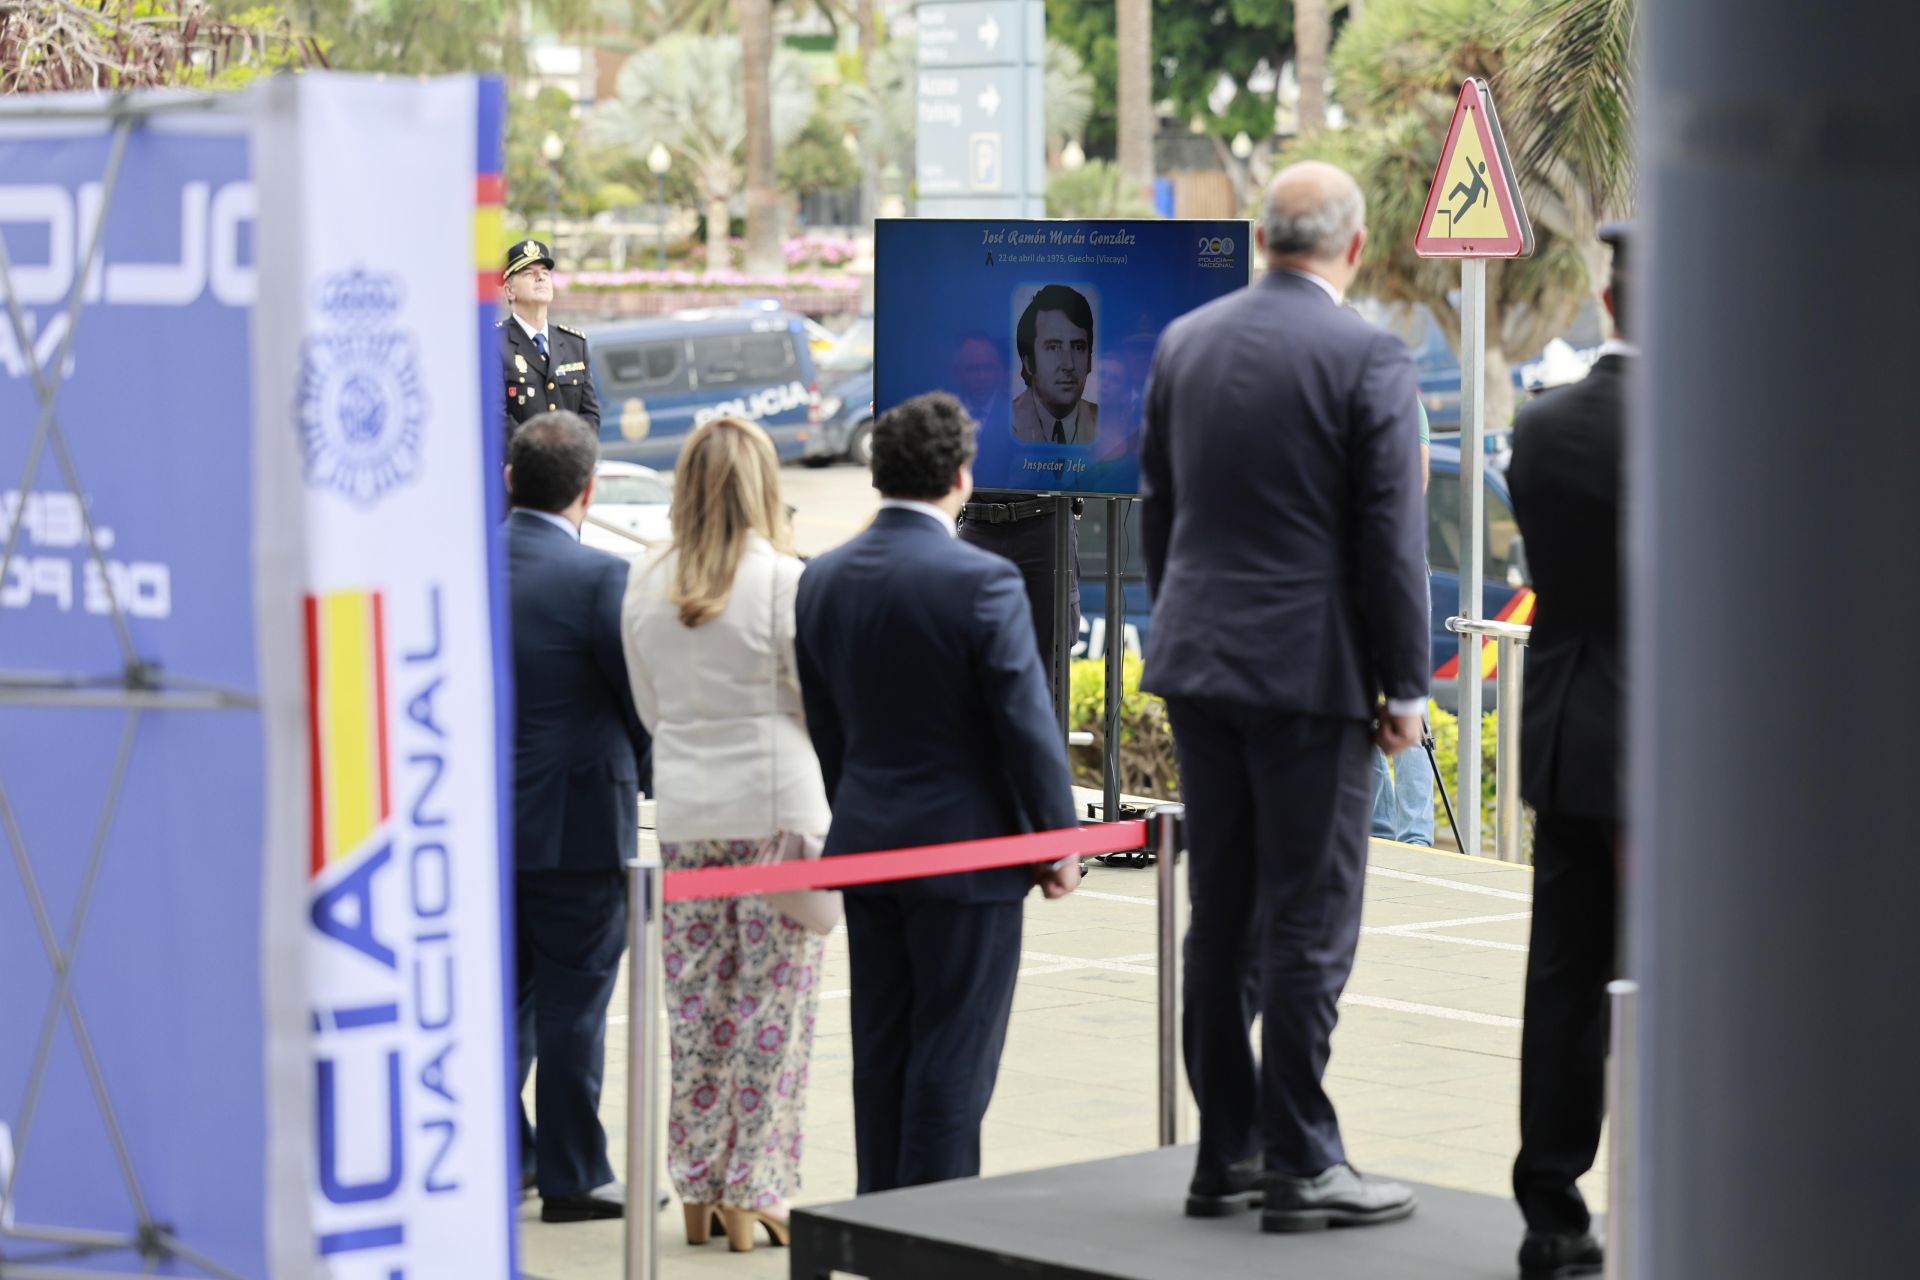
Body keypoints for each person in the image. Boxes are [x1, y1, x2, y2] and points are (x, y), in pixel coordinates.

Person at [1138, 162, 1430, 1232]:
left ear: (1263, 238)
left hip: (1200, 663)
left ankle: (1228, 1153)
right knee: (1310, 915)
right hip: (1311, 676)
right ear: (1351, 249)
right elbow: (1389, 536)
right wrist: (1406, 684)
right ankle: (1304, 1159)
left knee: (1223, 912)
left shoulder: (1186, 341)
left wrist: (1186, 621)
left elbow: (1157, 511)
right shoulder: (1367, 354)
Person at [793, 391, 1081, 1194]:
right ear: (961, 476)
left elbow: (827, 726)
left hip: (868, 843)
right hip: (970, 858)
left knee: (880, 1052)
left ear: (878, 472)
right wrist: (1055, 844)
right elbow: (1025, 727)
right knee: (954, 1062)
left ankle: (881, 1224)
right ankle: (933, 1238)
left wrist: (860, 806)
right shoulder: (982, 581)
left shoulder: (823, 579)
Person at [620, 416, 830, 1253]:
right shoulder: (783, 580)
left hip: (686, 812)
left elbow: (648, 709)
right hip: (779, 811)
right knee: (772, 1011)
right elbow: (813, 700)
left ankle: (699, 1184)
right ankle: (757, 1186)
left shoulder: (644, 579)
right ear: (762, 486)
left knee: (697, 1006)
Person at [1502, 222, 1631, 1280]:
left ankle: (1552, 1203)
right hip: (1668, 750)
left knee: (1565, 974)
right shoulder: (1714, 426)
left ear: (1608, 301)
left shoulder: (1541, 428)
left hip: (1564, 733)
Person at [505, 410, 649, 1222]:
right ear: (589, 492)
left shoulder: (464, 566)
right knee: (573, 1008)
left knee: (501, 1008)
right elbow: (638, 702)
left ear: (509, 480)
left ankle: (506, 1158)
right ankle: (572, 1175)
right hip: (582, 826)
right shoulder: (602, 578)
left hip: (484, 830)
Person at [1372, 401, 1437, 846]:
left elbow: (1417, 480)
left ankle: (1412, 835)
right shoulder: (1398, 395)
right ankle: (1389, 830)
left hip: (1389, 563)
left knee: (1403, 697)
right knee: (1400, 695)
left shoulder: (1400, 398)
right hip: (1396, 561)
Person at [500, 238, 599, 441]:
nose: (541, 278)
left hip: (570, 467)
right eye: (529, 273)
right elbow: (498, 419)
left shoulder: (574, 344)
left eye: (545, 273)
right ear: (510, 290)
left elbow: (589, 415)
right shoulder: (496, 345)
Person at [1010, 285, 1099, 445]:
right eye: (1053, 348)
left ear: (1089, 362)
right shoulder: (1005, 424)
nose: (1069, 364)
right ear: (1029, 362)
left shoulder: (1105, 422)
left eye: (1078, 347)